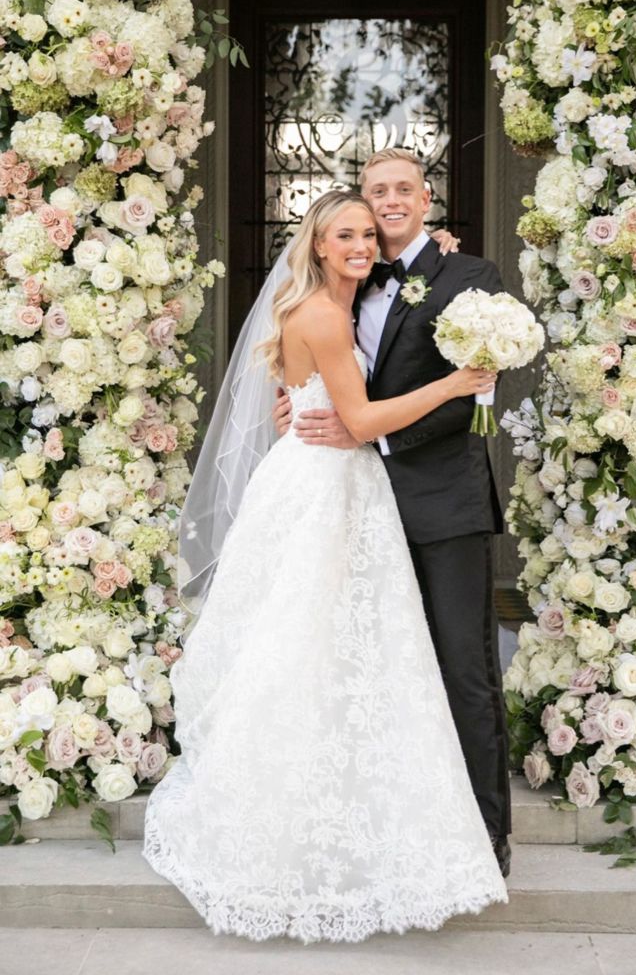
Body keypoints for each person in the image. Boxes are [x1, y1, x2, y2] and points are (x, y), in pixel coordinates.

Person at [143, 189, 508, 943]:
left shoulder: (322, 302)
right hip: (325, 489)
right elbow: (364, 418)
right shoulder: (322, 315)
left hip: (318, 480)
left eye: (368, 235)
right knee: (310, 654)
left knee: (328, 658)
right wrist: (455, 382)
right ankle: (292, 843)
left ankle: (337, 823)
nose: (361, 245)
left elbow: (312, 400)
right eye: (345, 234)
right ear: (314, 243)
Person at [274, 149, 512, 876]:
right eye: (378, 191)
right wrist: (300, 404)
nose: (391, 200)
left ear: (427, 196)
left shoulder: (468, 277)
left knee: (462, 670)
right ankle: (393, 829)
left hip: (443, 506)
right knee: (373, 672)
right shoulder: (351, 277)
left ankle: (484, 837)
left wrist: (364, 429)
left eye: (404, 188)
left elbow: (473, 393)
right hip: (354, 509)